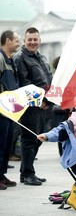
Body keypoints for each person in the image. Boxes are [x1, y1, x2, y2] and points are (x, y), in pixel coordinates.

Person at [14, 27, 52, 186]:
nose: (32, 42)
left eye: (35, 39)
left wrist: (49, 101)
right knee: (29, 139)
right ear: (24, 41)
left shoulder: (42, 57)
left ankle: (25, 171)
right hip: (30, 106)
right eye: (29, 39)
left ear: (40, 40)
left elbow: (49, 80)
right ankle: (28, 173)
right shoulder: (20, 58)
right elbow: (25, 83)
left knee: (39, 138)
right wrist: (39, 100)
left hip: (44, 105)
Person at [0, 30, 20, 190]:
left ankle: (1, 174)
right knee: (0, 144)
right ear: (7, 41)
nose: (18, 44)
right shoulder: (0, 58)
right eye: (16, 41)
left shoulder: (10, 60)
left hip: (8, 110)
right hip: (1, 109)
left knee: (6, 144)